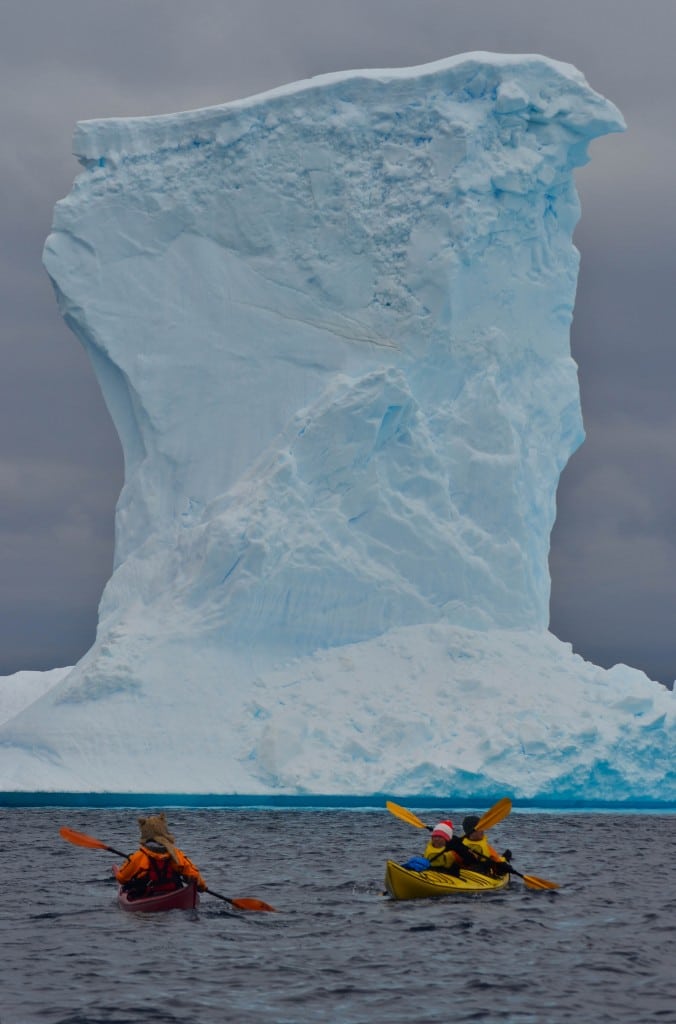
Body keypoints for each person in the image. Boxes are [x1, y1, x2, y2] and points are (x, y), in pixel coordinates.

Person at [113, 813, 208, 899]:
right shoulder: (176, 854)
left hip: (148, 897)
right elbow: (194, 875)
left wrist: (125, 865)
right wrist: (202, 887)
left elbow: (122, 879)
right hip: (173, 894)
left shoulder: (139, 856)